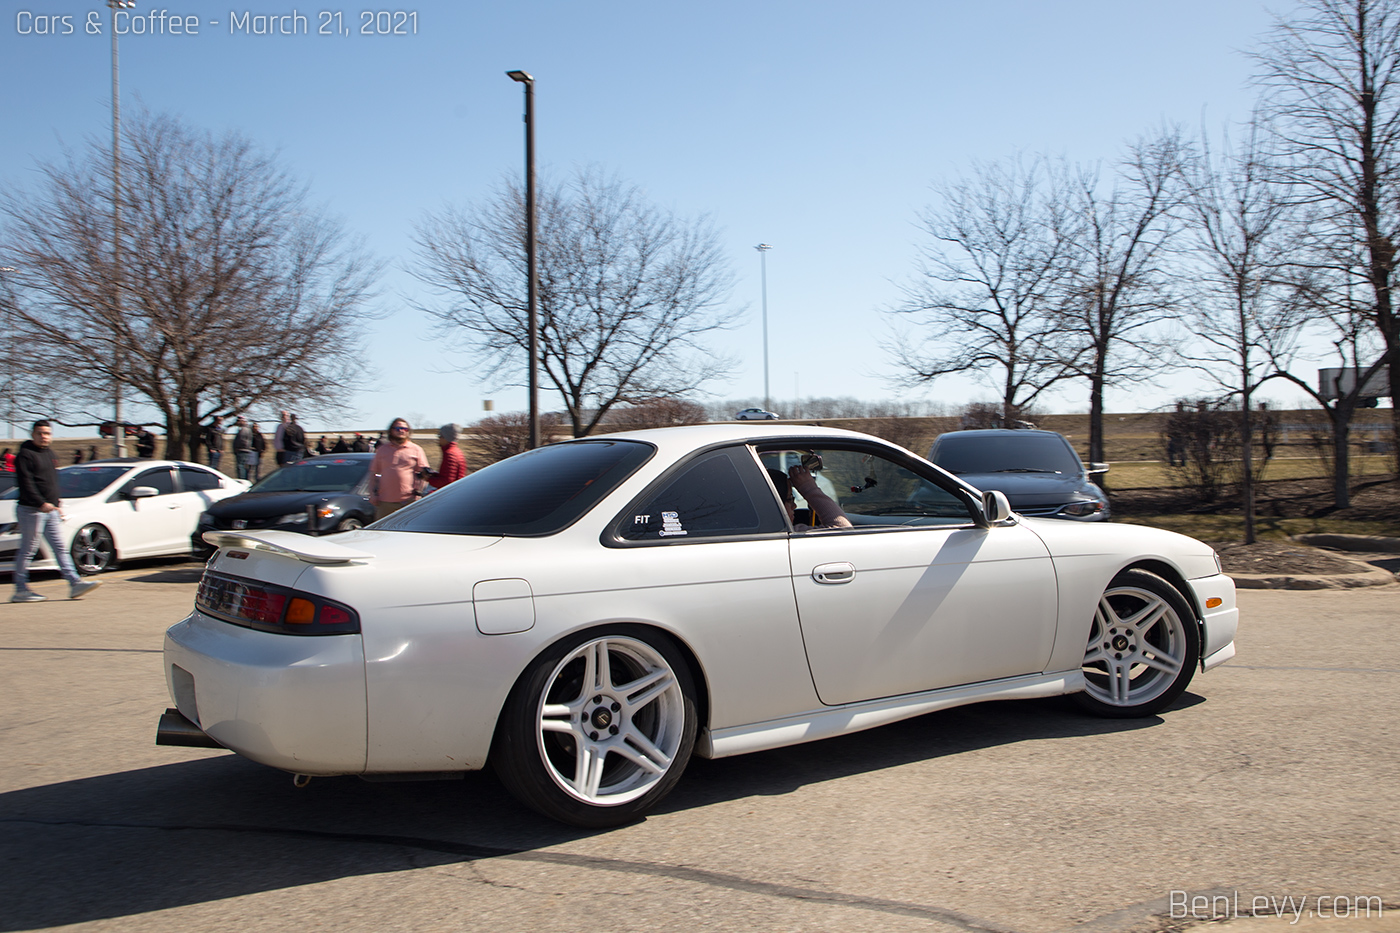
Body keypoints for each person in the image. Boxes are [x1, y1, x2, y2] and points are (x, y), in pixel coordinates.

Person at [11, 420, 102, 603]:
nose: (44, 436)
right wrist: (40, 503)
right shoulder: (25, 455)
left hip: (50, 510)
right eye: (40, 433)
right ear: (32, 434)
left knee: (60, 547)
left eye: (47, 433)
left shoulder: (50, 454)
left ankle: (75, 583)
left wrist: (56, 503)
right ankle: (20, 589)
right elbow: (26, 483)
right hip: (31, 510)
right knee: (28, 550)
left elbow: (50, 482)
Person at [369, 418, 429, 521]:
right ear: (391, 430)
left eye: (404, 429)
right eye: (397, 428)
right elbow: (373, 474)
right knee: (382, 534)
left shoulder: (416, 449)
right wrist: (372, 494)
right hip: (385, 502)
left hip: (408, 502)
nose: (401, 431)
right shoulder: (382, 450)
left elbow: (425, 474)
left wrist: (418, 493)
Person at [768, 463, 852, 531]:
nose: (794, 506)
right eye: (790, 499)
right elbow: (844, 530)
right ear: (774, 504)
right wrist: (809, 488)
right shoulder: (789, 534)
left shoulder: (762, 531)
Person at [426, 423, 469, 490]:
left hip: (452, 495)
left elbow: (446, 482)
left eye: (440, 436)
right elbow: (448, 476)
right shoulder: (457, 451)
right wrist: (433, 475)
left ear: (446, 437)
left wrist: (428, 479)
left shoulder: (450, 454)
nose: (438, 438)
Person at [232, 416, 256, 480]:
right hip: (246, 451)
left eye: (238, 421)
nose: (237, 422)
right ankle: (246, 479)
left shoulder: (243, 430)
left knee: (241, 466)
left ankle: (242, 480)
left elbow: (242, 440)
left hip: (242, 451)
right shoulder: (248, 429)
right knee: (244, 466)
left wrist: (237, 448)